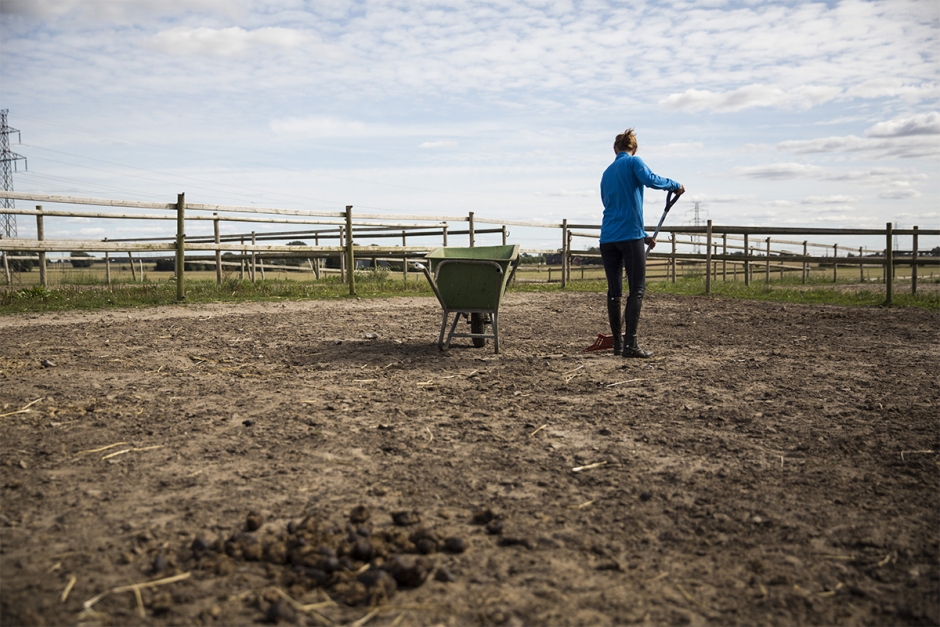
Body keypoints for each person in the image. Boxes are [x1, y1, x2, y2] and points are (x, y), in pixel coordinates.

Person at [600, 128, 683, 358]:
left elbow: (616, 207)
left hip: (608, 239)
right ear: (634, 149)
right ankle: (631, 345)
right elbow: (650, 180)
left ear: (615, 149)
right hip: (629, 237)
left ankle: (618, 344)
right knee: (637, 289)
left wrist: (642, 234)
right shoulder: (634, 162)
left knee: (614, 292)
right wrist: (674, 185)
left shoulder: (606, 173)